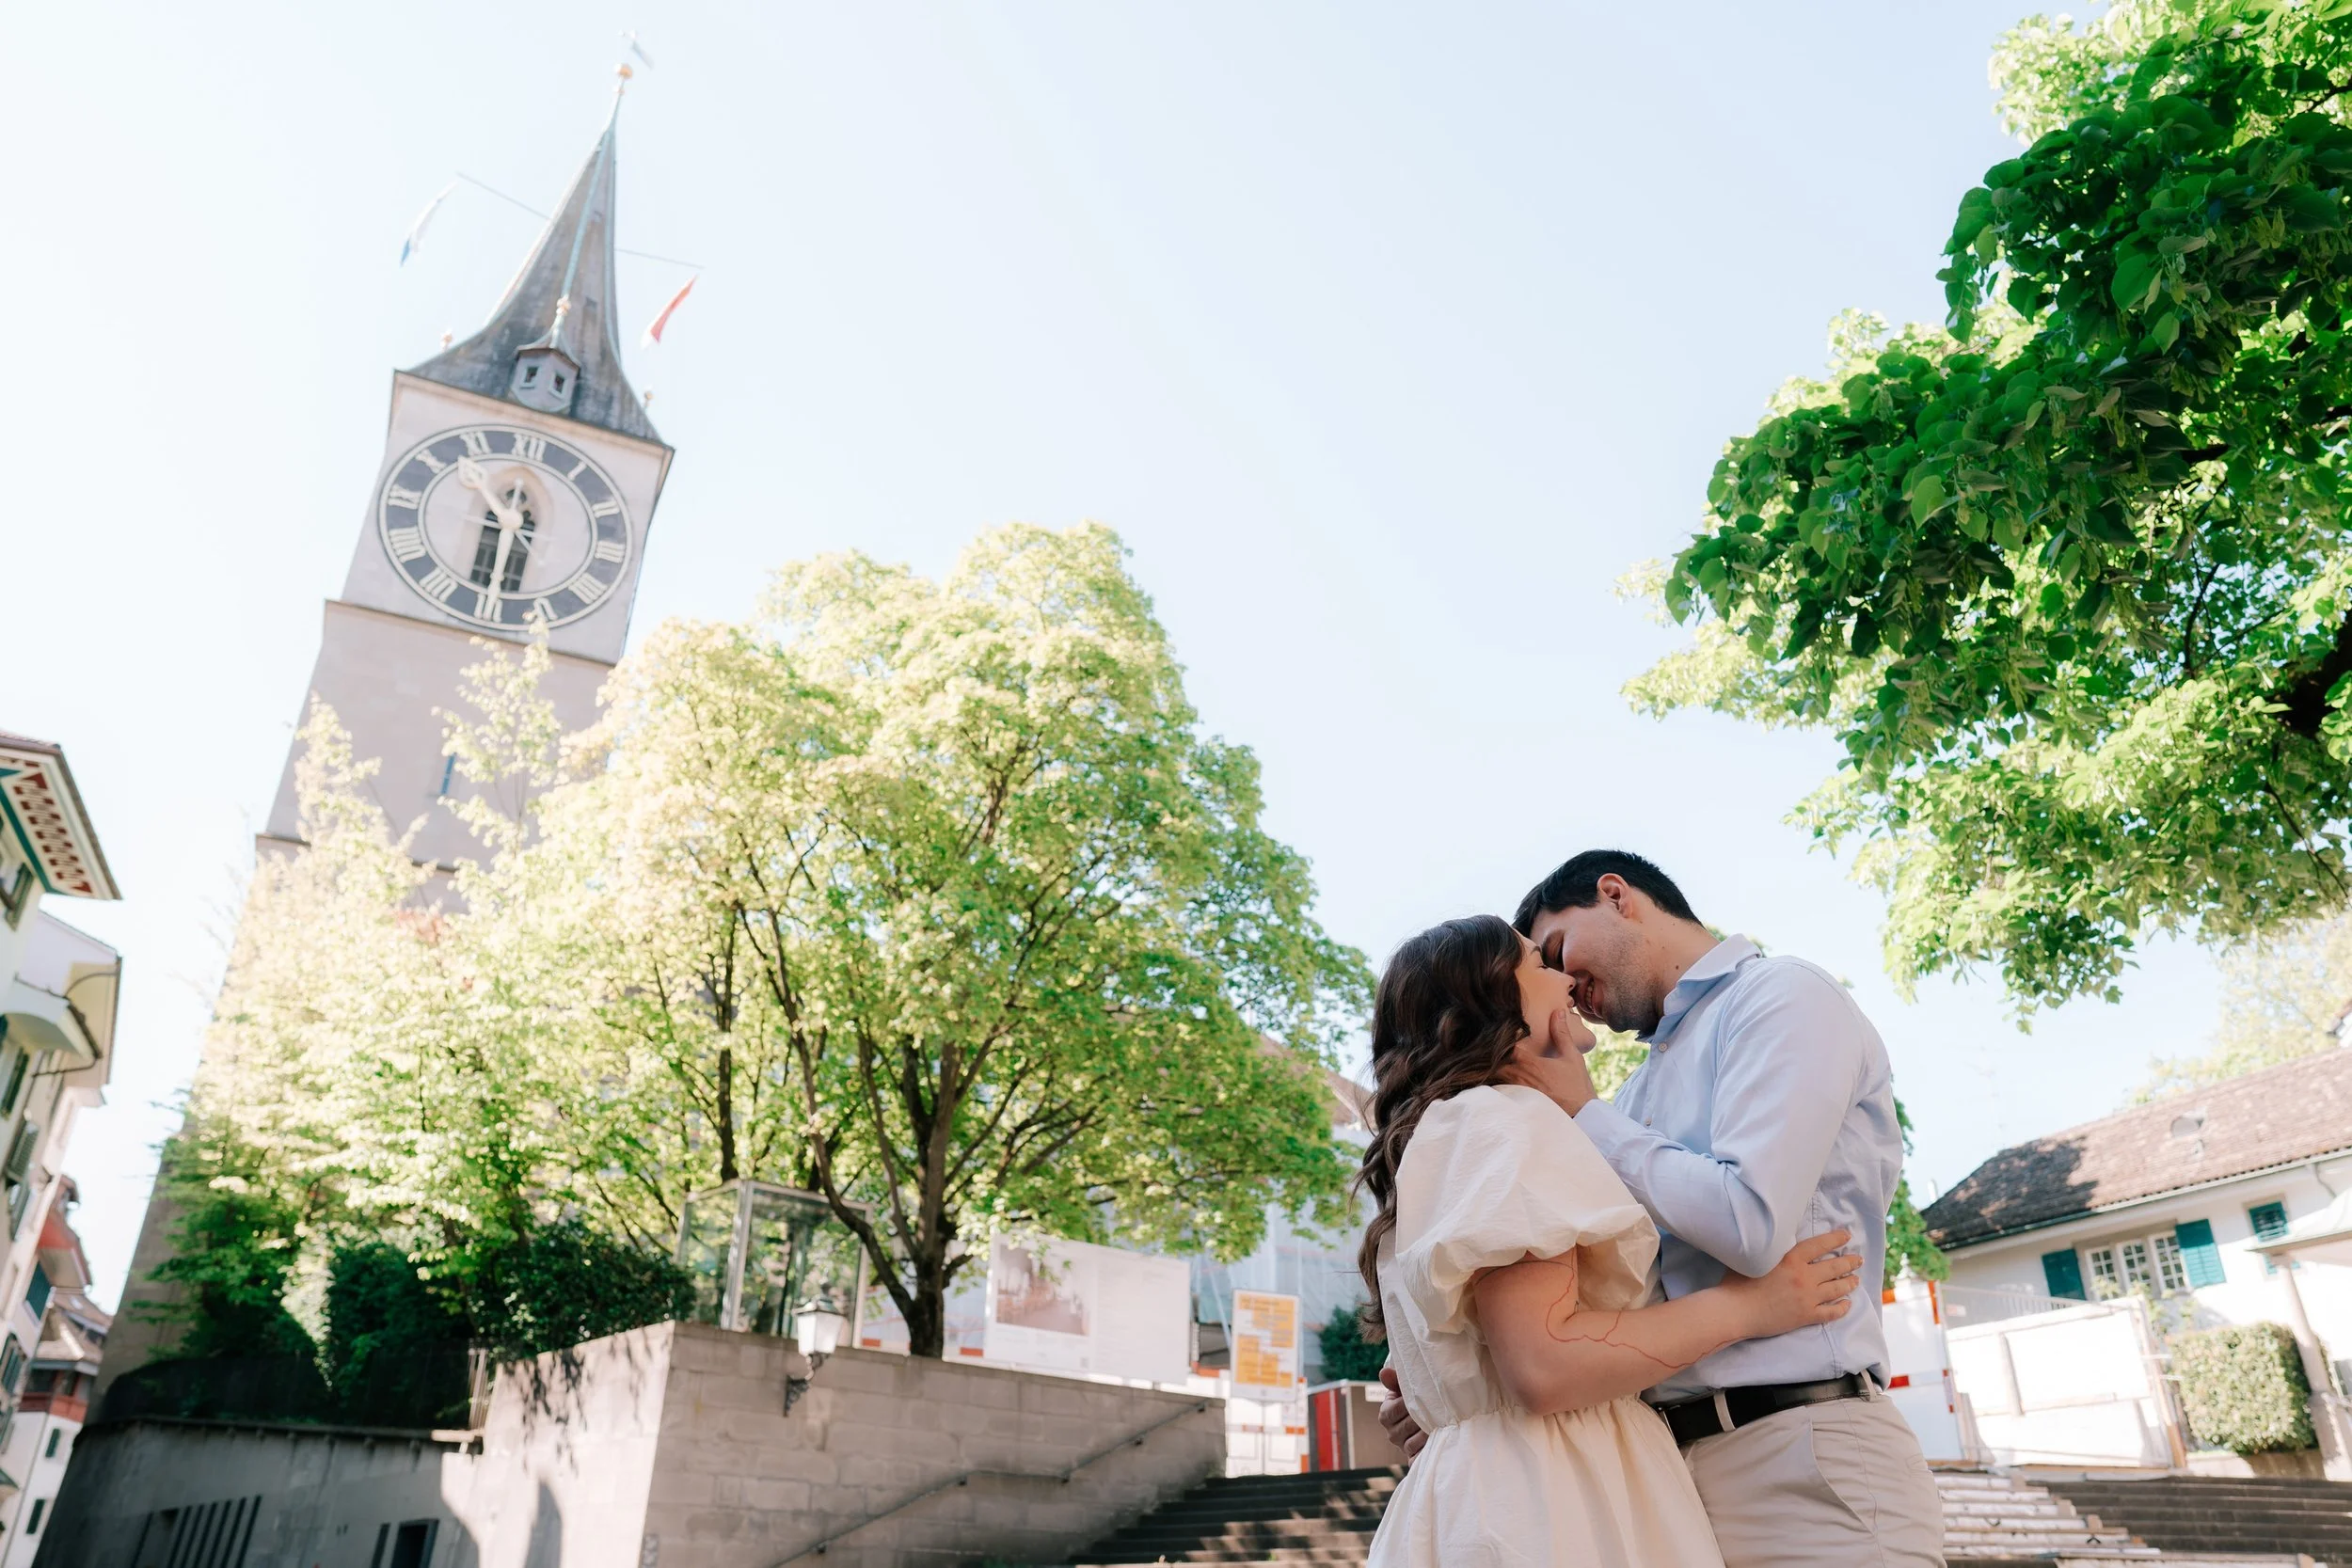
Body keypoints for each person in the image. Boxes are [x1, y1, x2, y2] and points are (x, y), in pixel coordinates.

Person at [1378, 850, 1946, 1568]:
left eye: (1557, 947)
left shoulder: (1778, 996)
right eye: (1542, 965)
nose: (1566, 982)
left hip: (1802, 1448)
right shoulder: (1613, 1106)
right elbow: (1571, 1319)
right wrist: (1460, 1387)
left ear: (1616, 895)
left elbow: (1750, 1224)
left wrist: (1587, 1113)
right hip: (1662, 1469)